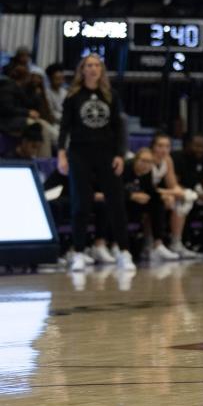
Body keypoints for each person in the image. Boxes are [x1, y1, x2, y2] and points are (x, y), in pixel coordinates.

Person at [57, 54, 136, 272]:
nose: (93, 69)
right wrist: (61, 153)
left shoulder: (111, 95)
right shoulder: (73, 96)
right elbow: (64, 127)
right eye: (88, 65)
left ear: (101, 70)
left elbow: (119, 128)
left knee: (116, 203)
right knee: (80, 204)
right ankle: (79, 252)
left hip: (106, 153)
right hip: (80, 153)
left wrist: (120, 154)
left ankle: (124, 251)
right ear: (82, 70)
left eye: (96, 65)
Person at [123, 148, 180, 261]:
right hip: (122, 201)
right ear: (135, 159)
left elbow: (150, 191)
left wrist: (164, 197)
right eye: (143, 161)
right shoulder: (125, 167)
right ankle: (115, 245)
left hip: (137, 203)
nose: (146, 165)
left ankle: (158, 245)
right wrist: (132, 196)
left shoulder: (147, 172)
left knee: (158, 203)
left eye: (149, 162)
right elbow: (114, 190)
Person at [172, 134, 203, 254]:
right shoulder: (177, 158)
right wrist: (199, 195)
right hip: (179, 193)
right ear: (188, 145)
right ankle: (184, 241)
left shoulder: (202, 160)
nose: (201, 149)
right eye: (197, 146)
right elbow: (175, 184)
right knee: (187, 201)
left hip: (194, 194)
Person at [150, 133, 198, 258]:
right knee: (163, 201)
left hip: (158, 193)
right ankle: (151, 244)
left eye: (167, 146)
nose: (164, 149)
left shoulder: (168, 160)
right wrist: (172, 193)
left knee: (181, 201)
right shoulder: (147, 159)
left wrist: (182, 193)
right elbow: (149, 188)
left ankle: (176, 243)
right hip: (144, 193)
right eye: (160, 146)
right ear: (153, 147)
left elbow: (172, 184)